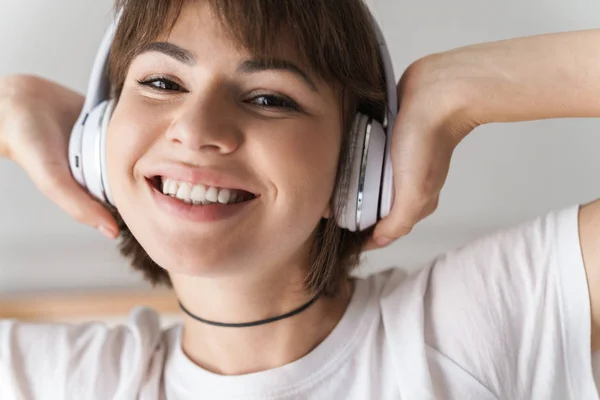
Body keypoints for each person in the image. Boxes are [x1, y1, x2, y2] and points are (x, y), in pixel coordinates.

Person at [1, 1, 600, 399]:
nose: (196, 127)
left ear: (361, 163)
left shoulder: (469, 326)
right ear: (95, 139)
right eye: (162, 83)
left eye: (267, 98)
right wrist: (11, 104)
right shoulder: (55, 381)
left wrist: (460, 88)